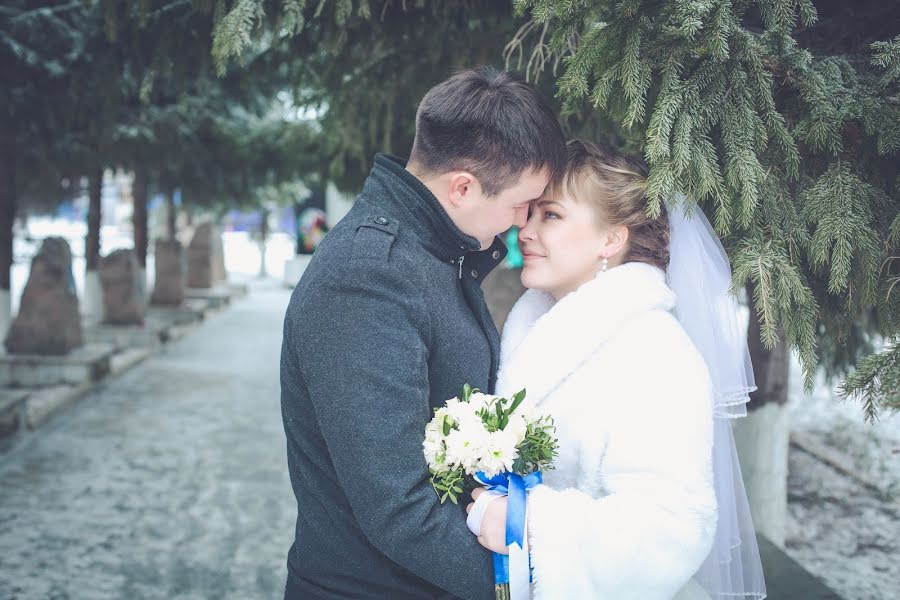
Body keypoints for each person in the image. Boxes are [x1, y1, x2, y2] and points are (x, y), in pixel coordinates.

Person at [279, 67, 566, 600]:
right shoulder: (369, 278)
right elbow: (400, 506)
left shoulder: (435, 254)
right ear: (462, 187)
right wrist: (530, 588)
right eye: (519, 205)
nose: (521, 224)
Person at [467, 140, 766, 599]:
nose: (524, 231)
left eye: (551, 215)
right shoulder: (532, 329)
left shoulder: (656, 354)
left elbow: (670, 531)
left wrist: (526, 523)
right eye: (529, 213)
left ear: (611, 239)